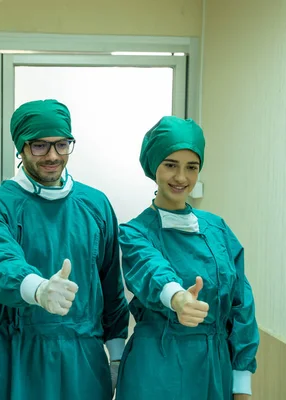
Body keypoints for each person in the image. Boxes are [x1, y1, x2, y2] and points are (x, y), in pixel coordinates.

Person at [0, 99, 129, 400]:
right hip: (15, 359)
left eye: (62, 144)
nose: (53, 155)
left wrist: (117, 355)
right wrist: (38, 289)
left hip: (83, 363)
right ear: (21, 147)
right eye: (40, 146)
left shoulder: (95, 205)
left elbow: (111, 289)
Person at [115, 116, 259, 400]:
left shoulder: (217, 229)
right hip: (156, 365)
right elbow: (151, 270)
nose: (181, 178)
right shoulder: (135, 233)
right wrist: (178, 297)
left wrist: (241, 382)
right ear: (154, 167)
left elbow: (242, 303)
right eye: (170, 165)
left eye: (191, 167)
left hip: (214, 365)